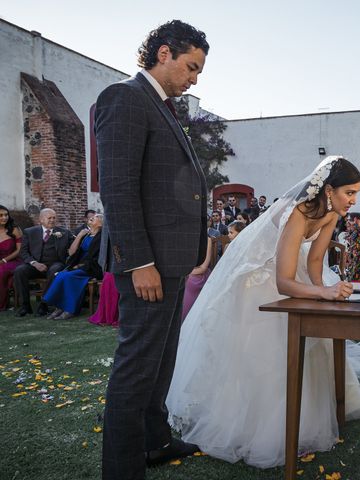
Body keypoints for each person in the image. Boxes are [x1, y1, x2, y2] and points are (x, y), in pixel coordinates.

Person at [166, 156, 360, 468]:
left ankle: (315, 411)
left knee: (315, 335)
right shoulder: (298, 212)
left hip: (291, 273)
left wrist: (325, 294)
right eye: (349, 193)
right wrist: (321, 291)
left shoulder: (330, 215)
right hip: (259, 277)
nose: (354, 200)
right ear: (329, 190)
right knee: (267, 348)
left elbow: (314, 263)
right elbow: (283, 281)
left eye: (356, 193)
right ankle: (252, 424)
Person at [95, 20, 209, 479]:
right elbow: (118, 190)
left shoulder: (160, 106)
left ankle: (155, 440)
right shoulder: (124, 97)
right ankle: (122, 470)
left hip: (171, 261)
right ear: (165, 53)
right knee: (137, 368)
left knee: (161, 362)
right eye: (191, 67)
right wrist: (139, 262)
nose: (195, 78)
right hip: (147, 264)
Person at [13, 208, 72, 317]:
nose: (52, 220)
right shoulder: (29, 232)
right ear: (41, 219)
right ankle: (25, 305)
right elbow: (23, 252)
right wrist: (34, 263)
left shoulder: (64, 232)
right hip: (35, 265)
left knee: (55, 269)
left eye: (54, 218)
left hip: (55, 263)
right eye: (49, 218)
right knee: (19, 270)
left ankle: (44, 304)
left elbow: (75, 247)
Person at [44, 214, 104, 320]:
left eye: (96, 217)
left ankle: (70, 310)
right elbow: (72, 253)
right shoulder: (86, 235)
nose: (92, 217)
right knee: (61, 275)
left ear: (101, 224)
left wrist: (81, 266)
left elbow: (99, 257)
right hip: (79, 266)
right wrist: (80, 235)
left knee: (66, 277)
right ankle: (60, 307)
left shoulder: (102, 237)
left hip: (93, 268)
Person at [0, 205, 23, 310]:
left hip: (15, 261)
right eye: (1, 215)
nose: (4, 217)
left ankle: (1, 305)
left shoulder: (14, 229)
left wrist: (4, 260)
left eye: (6, 215)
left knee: (1, 269)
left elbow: (19, 250)